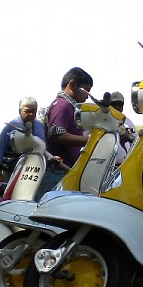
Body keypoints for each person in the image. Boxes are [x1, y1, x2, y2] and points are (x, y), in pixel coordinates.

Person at [38, 67, 93, 195]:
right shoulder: (62, 105)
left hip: (63, 171)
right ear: (73, 84)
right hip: (57, 173)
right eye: (87, 90)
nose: (88, 96)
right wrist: (91, 140)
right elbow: (58, 135)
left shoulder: (67, 106)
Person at [0, 97, 45, 177]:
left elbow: (42, 148)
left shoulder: (40, 126)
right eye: (27, 111)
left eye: (33, 111)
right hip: (12, 171)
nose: (31, 114)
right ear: (20, 111)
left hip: (34, 172)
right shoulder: (10, 127)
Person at [110, 91, 135, 165]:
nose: (117, 107)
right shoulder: (103, 120)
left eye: (120, 105)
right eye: (114, 105)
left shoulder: (128, 122)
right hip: (105, 167)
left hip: (124, 166)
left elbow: (135, 141)